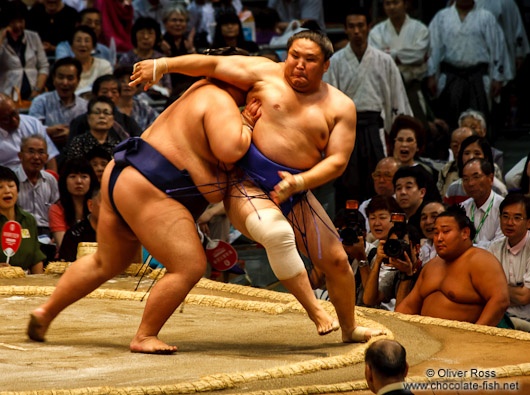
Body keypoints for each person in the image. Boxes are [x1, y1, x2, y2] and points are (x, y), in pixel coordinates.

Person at [130, 30, 385, 342]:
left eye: (310, 60)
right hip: (245, 182)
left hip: (295, 187)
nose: (300, 65)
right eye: (295, 56)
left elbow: (337, 161)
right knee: (277, 234)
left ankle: (349, 328)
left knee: (337, 261)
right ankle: (315, 310)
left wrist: (299, 182)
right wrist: (162, 65)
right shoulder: (265, 71)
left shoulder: (341, 106)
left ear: (326, 66)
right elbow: (211, 65)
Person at [27, 51, 255, 354]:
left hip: (122, 175)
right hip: (151, 185)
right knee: (188, 266)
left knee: (106, 262)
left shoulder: (195, 91)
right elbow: (226, 159)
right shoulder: (220, 100)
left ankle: (46, 312)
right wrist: (249, 125)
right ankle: (145, 335)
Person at [323, 6, 412, 204]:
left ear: (369, 27)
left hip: (375, 129)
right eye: (351, 27)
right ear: (345, 29)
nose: (356, 31)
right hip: (347, 131)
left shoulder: (384, 61)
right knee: (348, 184)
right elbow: (329, 104)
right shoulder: (335, 62)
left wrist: (400, 135)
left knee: (379, 183)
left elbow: (397, 99)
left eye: (361, 26)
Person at [396, 206, 510, 327]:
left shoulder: (481, 261)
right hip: (425, 337)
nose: (439, 238)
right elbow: (408, 306)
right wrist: (392, 326)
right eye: (436, 233)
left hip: (464, 340)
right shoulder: (431, 266)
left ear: (465, 233)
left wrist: (475, 335)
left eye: (446, 232)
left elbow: (500, 301)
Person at [426, 0, 512, 128]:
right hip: (451, 75)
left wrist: (497, 77)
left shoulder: (486, 17)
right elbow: (433, 47)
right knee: (450, 121)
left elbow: (497, 48)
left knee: (478, 121)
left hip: (477, 76)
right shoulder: (442, 17)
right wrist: (431, 75)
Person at [368, 0, 430, 125]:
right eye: (387, 4)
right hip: (385, 87)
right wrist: (403, 56)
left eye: (395, 3)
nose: (391, 7)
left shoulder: (420, 28)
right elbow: (375, 58)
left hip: (412, 85)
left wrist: (390, 54)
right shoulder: (376, 32)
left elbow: (418, 55)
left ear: (405, 4)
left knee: (417, 126)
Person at [489, 193, 530, 332]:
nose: (509, 222)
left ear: (529, 222)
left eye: (517, 218)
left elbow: (525, 297)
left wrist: (497, 292)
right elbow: (485, 290)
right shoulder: (494, 247)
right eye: (505, 216)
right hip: (501, 316)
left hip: (526, 320)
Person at [29, 57, 88, 149]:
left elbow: (89, 134)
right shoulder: (40, 101)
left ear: (78, 80)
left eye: (70, 78)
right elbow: (30, 130)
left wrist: (71, 135)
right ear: (53, 78)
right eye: (61, 77)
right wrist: (47, 131)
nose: (65, 83)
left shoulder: (85, 106)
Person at [68, 75, 143, 144]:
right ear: (94, 95)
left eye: (114, 92)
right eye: (104, 92)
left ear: (119, 95)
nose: (109, 95)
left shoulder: (126, 121)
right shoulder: (80, 122)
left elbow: (139, 144)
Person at [363, 222, 421, 310]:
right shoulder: (394, 274)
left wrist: (407, 274)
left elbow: (401, 313)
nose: (397, 248)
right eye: (394, 244)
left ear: (416, 249)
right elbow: (369, 300)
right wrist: (378, 262)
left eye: (403, 244)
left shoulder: (425, 273)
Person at [0, 166, 45, 274]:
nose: (7, 191)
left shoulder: (29, 220)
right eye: (0, 187)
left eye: (11, 186)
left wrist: (38, 284)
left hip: (26, 284)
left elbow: (36, 258)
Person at [0, 1, 49, 100]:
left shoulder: (33, 37)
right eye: (14, 21)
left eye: (21, 21)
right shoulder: (1, 39)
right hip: (7, 96)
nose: (18, 25)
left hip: (34, 94)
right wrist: (1, 38)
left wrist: (37, 89)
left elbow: (43, 66)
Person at [0, 94, 59, 172]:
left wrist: (53, 179)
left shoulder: (33, 123)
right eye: (6, 119)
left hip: (39, 176)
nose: (14, 120)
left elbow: (50, 156)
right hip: (8, 180)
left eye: (14, 113)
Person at [14, 135, 59, 236]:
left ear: (46, 157)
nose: (36, 157)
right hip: (20, 232)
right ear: (20, 156)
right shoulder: (12, 179)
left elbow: (56, 212)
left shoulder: (51, 180)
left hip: (48, 233)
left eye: (41, 152)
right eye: (31, 152)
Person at [389, 115, 441, 203]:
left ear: (418, 146)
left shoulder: (425, 175)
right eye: (400, 140)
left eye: (409, 140)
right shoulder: (384, 169)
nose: (404, 144)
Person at [48, 158, 98, 250]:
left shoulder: (98, 207)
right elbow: (64, 246)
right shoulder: (56, 209)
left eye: (84, 176)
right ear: (64, 181)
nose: (79, 181)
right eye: (73, 176)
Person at [445, 135, 507, 205]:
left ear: (486, 157)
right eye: (466, 153)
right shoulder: (453, 188)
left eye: (477, 153)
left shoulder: (498, 188)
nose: (471, 157)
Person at [118, 17, 172, 96]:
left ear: (156, 37)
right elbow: (119, 87)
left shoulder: (161, 59)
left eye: (150, 33)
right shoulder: (127, 58)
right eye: (142, 33)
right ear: (135, 35)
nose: (146, 37)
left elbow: (169, 89)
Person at [460, 158, 504, 249]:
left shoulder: (503, 207)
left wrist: (469, 247)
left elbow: (499, 247)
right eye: (466, 179)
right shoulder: (462, 208)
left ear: (490, 179)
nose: (470, 183)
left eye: (476, 177)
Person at [159, 5, 199, 96]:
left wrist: (191, 50)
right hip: (168, 90)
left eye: (181, 20)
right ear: (165, 23)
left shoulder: (189, 42)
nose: (178, 24)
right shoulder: (160, 43)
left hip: (188, 88)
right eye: (174, 20)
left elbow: (198, 69)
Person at [67, 96, 121, 161]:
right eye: (97, 112)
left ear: (113, 119)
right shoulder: (78, 143)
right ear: (88, 118)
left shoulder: (117, 145)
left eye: (106, 113)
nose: (102, 116)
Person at [58, 187, 100, 262]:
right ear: (91, 205)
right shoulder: (74, 234)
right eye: (105, 203)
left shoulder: (121, 232)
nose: (110, 208)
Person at [359, 157, 399, 231]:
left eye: (387, 176)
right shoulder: (365, 205)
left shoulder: (403, 202)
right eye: (377, 175)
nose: (381, 180)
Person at [457, 109, 504, 173]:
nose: (469, 131)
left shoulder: (496, 155)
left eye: (473, 127)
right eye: (465, 128)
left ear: (483, 131)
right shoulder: (456, 151)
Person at [70, 26, 113, 95]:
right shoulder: (66, 67)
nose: (83, 44)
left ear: (93, 46)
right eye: (78, 40)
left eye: (87, 41)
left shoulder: (103, 65)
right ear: (71, 46)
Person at [114, 66, 159, 131]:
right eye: (122, 81)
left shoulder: (143, 107)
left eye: (131, 81)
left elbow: (157, 120)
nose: (127, 84)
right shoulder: (110, 107)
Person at [437, 127, 475, 197]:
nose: (459, 149)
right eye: (455, 146)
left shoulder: (489, 168)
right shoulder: (446, 169)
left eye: (464, 145)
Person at [393, 166, 427, 238]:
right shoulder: (395, 215)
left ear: (422, 192)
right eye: (399, 188)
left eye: (408, 187)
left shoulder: (428, 217)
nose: (403, 192)